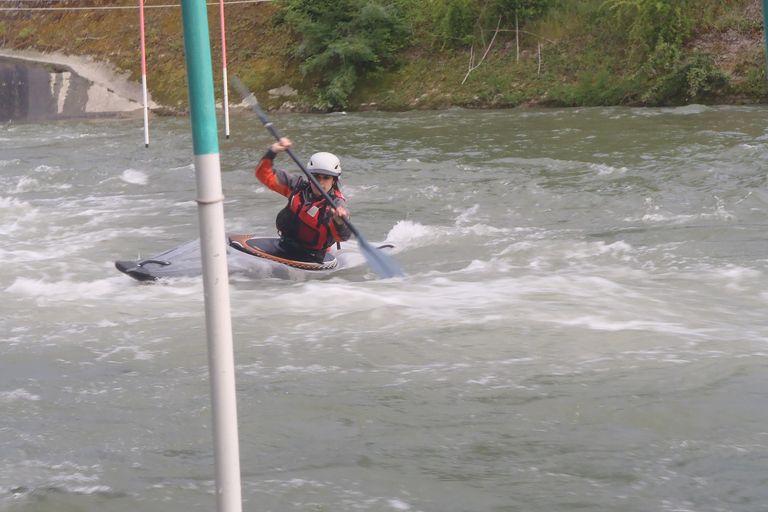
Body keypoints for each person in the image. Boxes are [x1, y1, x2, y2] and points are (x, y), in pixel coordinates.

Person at [255, 137, 352, 263]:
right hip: (285, 244)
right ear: (309, 175)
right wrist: (273, 151)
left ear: (334, 180)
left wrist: (339, 221)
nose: (320, 182)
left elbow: (343, 236)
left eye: (326, 177)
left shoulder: (336, 204)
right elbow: (263, 174)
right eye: (316, 176)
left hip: (312, 257)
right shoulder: (297, 187)